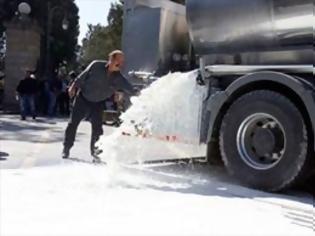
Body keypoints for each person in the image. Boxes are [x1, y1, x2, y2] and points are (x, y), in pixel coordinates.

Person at [62, 50, 135, 162]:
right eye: (118, 61)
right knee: (72, 124)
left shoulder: (119, 78)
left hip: (98, 103)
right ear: (111, 60)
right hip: (83, 98)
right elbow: (82, 76)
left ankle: (96, 152)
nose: (121, 65)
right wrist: (73, 86)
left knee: (97, 129)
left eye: (122, 62)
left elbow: (131, 89)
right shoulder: (96, 65)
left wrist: (144, 94)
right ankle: (66, 148)